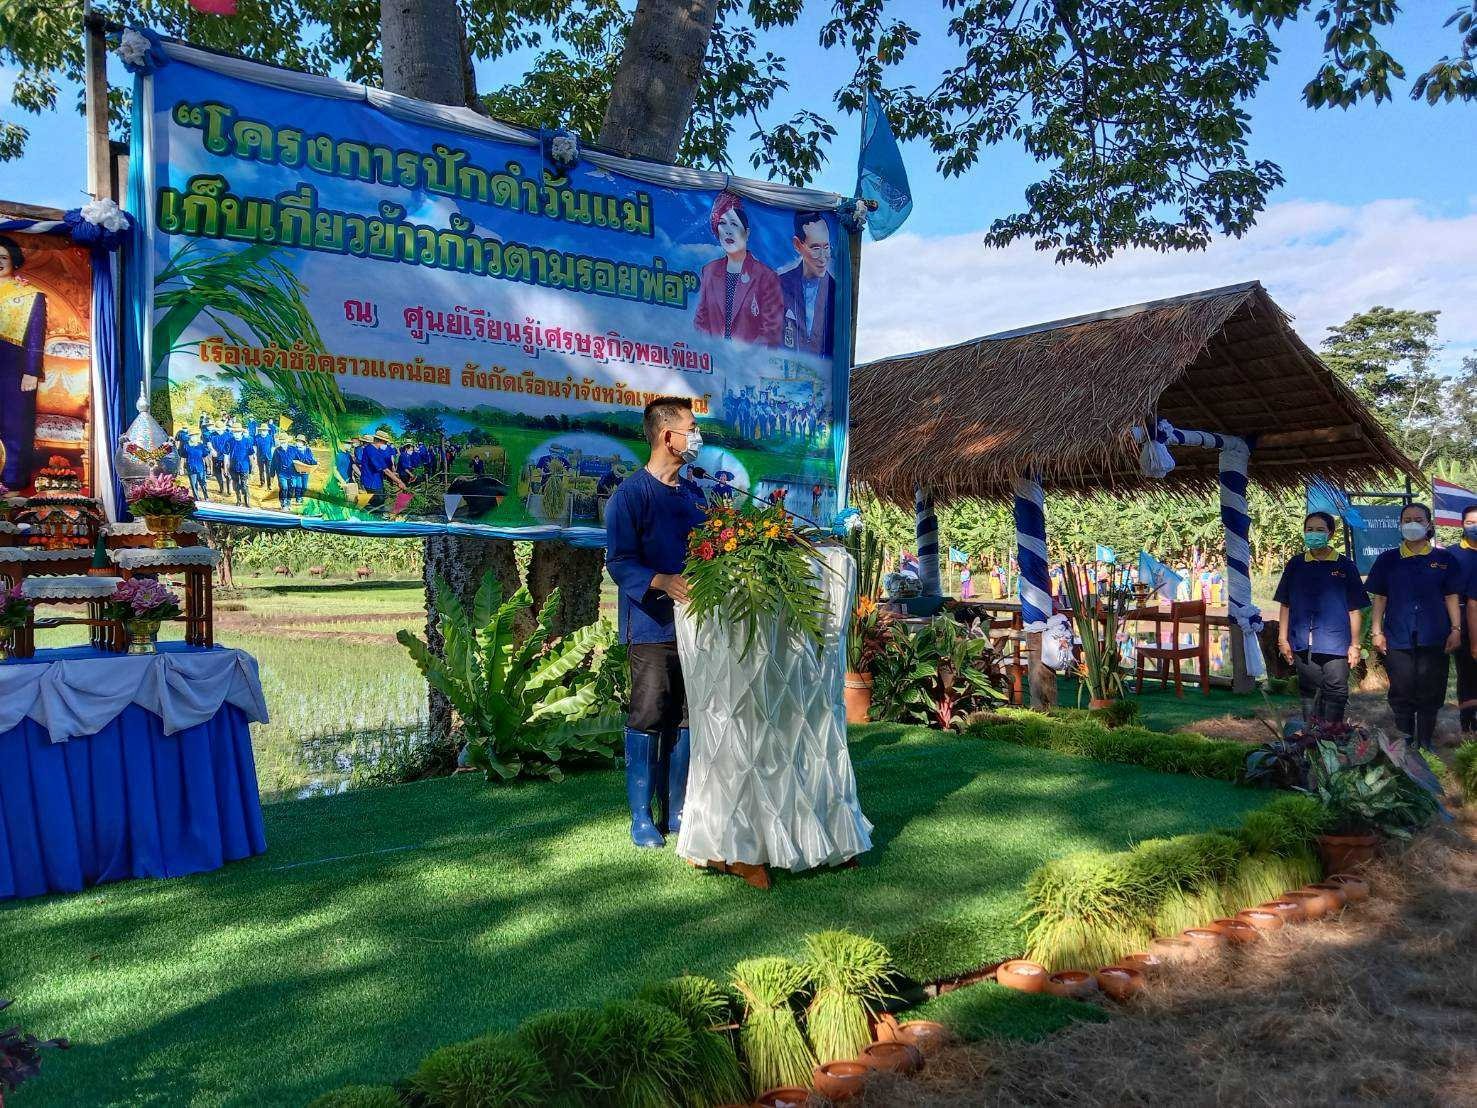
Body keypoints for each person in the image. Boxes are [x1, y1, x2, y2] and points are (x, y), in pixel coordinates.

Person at [604, 396, 708, 848]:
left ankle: (679, 810)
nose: (697, 437)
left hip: (697, 626)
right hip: (650, 628)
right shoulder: (630, 496)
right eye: (692, 428)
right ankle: (642, 818)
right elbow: (619, 561)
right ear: (668, 436)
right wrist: (661, 580)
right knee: (649, 715)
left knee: (687, 715)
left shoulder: (695, 494)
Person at [1366, 502, 1463, 749]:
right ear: (1399, 524)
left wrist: (1456, 629)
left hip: (1435, 635)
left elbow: (1451, 596)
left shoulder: (1444, 559)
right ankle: (1405, 745)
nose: (1412, 524)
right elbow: (1380, 598)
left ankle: (1426, 743)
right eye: (1407, 520)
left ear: (1429, 524)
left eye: (1418, 520)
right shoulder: (1388, 560)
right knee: (1402, 690)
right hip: (1397, 635)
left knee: (1432, 689)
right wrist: (1376, 631)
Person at [1274, 511, 1370, 723]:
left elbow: (1355, 609)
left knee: (1336, 689)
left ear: (1330, 533)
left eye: (1320, 530)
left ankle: (1332, 734)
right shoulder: (1296, 564)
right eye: (1309, 530)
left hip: (1336, 642)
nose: (1314, 534)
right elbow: (1285, 604)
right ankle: (1311, 736)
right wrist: (1283, 639)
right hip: (1302, 642)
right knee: (1309, 689)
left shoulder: (1345, 566)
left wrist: (1355, 645)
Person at [692, 193, 784, 347]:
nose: (728, 231)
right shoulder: (709, 271)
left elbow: (771, 331)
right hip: (714, 358)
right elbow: (701, 321)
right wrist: (713, 352)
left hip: (750, 360)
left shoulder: (766, 276)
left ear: (746, 233)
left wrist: (741, 358)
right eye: (722, 223)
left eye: (734, 224)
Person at [0, 235, 45, 490]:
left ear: (14, 261)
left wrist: (31, 371)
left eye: (3, 257)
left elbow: (36, 336)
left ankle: (12, 481)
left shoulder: (30, 294)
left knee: (14, 424)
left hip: (13, 367)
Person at [778, 210, 835, 357]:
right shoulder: (780, 286)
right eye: (815, 248)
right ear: (798, 245)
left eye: (826, 247)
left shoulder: (835, 291)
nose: (823, 257)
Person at [1453, 504, 1477, 734]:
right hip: (1463, 623)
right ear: (1462, 524)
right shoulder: (1451, 555)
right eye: (1470, 522)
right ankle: (1468, 723)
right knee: (1467, 673)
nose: (1475, 527)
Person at [226, 421, 254, 507]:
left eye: (238, 432)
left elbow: (251, 456)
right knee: (236, 485)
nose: (236, 433)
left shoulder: (247, 441)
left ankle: (247, 502)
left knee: (244, 485)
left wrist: (252, 467)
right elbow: (226, 455)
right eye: (234, 432)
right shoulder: (229, 441)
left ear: (241, 432)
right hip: (233, 467)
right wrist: (226, 467)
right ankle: (238, 501)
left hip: (244, 467)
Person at [181, 430, 211, 502]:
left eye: (195, 436)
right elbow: (183, 457)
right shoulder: (186, 446)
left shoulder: (201, 446)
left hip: (200, 468)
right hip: (191, 467)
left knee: (203, 483)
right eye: (192, 436)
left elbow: (205, 457)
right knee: (194, 484)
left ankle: (206, 496)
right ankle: (197, 499)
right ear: (189, 437)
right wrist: (181, 468)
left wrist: (208, 467)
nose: (194, 437)